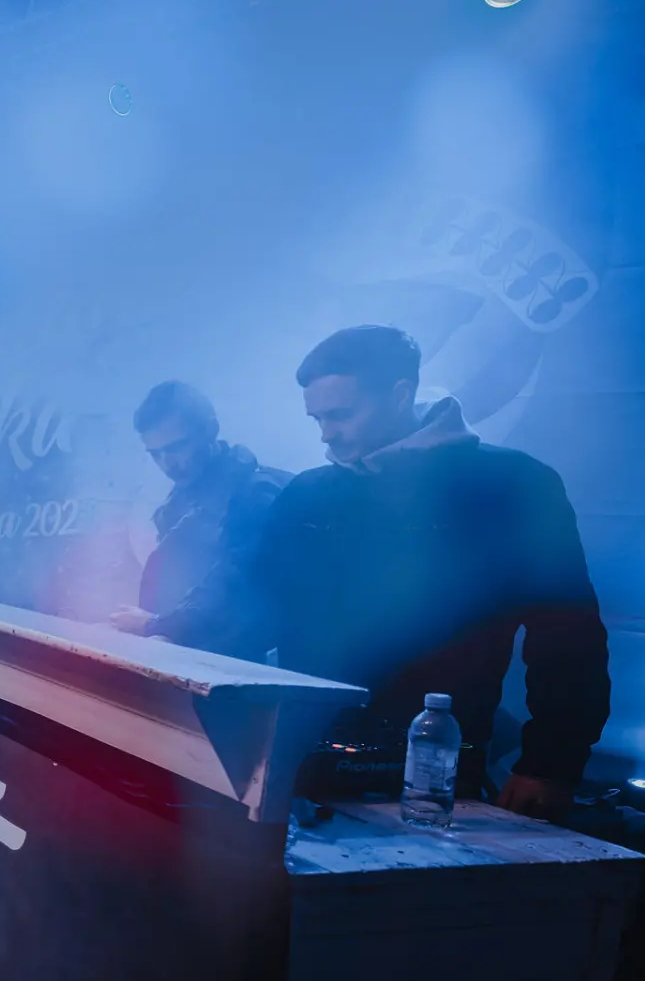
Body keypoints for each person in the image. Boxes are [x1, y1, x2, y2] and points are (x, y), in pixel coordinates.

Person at [158, 325, 610, 821]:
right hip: (306, 757)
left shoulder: (512, 485)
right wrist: (165, 634)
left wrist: (550, 765)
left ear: (400, 395)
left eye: (340, 414)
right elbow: (248, 597)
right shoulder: (309, 494)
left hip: (435, 765)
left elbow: (567, 637)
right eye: (317, 418)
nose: (326, 433)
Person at [109, 381, 286, 650]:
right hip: (185, 649)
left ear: (211, 430)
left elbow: (234, 586)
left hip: (234, 659)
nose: (168, 464)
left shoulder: (255, 495)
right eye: (156, 454)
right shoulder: (183, 497)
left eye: (177, 447)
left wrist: (155, 625)